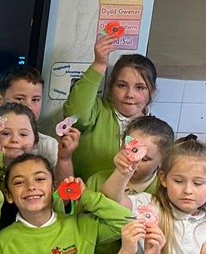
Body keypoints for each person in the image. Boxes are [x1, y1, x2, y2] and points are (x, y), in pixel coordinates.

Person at [65, 35, 158, 181]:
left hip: (132, 201)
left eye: (140, 88)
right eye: (122, 85)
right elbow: (76, 116)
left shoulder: (157, 129)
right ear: (111, 87)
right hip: (88, 197)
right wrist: (99, 65)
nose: (130, 95)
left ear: (151, 92)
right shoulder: (97, 111)